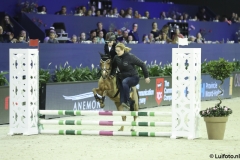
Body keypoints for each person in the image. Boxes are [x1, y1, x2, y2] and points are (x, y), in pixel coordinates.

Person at [110, 43, 150, 110]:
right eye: (116, 51)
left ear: (123, 50)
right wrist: (112, 74)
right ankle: (127, 103)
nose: (117, 52)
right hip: (123, 78)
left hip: (134, 78)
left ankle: (128, 100)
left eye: (118, 51)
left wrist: (146, 76)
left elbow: (142, 64)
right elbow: (113, 67)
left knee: (125, 81)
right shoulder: (116, 58)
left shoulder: (130, 57)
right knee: (121, 83)